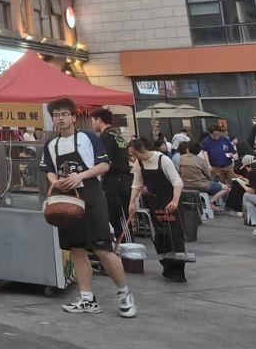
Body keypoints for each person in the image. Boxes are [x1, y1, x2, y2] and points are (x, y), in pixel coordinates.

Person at [41, 97, 136, 318]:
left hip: (91, 195)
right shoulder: (51, 144)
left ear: (74, 117)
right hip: (66, 198)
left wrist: (80, 176)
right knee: (76, 249)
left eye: (64, 114)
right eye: (56, 115)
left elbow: (104, 165)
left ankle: (124, 293)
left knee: (102, 247)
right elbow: (48, 169)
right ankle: (87, 299)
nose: (60, 119)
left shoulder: (88, 137)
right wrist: (56, 182)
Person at [127, 137, 188, 281]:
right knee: (161, 236)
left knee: (173, 237)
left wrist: (175, 201)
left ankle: (178, 272)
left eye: (134, 153)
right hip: (155, 203)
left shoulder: (163, 160)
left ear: (142, 149)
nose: (133, 157)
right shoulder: (139, 163)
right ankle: (167, 268)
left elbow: (177, 182)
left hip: (170, 203)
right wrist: (132, 203)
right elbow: (137, 184)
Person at [89, 108, 132, 240]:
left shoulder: (105, 137)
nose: (92, 124)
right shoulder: (116, 135)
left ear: (98, 120)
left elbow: (106, 162)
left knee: (120, 218)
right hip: (123, 180)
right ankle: (123, 246)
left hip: (115, 181)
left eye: (93, 120)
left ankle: (127, 248)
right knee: (118, 217)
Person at [177, 141, 230, 211]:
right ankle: (210, 202)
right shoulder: (201, 161)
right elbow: (209, 175)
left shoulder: (181, 158)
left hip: (186, 185)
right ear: (199, 151)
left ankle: (207, 203)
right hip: (201, 186)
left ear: (188, 149)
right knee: (226, 188)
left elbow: (179, 171)